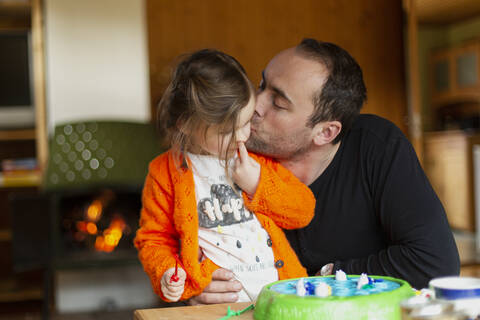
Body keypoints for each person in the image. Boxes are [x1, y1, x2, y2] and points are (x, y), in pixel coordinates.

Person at [188, 38, 460, 304]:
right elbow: (174, 243)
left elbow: (434, 263)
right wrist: (195, 285)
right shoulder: (226, 148)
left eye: (278, 103)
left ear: (325, 132)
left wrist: (327, 278)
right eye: (261, 86)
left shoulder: (376, 146)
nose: (255, 104)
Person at [133, 49, 315, 303]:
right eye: (227, 131)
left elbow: (302, 211)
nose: (242, 137)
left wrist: (257, 184)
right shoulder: (164, 172)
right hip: (218, 306)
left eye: (246, 122)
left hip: (282, 297)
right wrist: (167, 272)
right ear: (185, 124)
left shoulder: (255, 162)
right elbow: (154, 238)